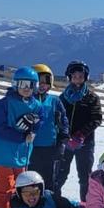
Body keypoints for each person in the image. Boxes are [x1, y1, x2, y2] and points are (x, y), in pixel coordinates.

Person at [0, 66, 45, 208]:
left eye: (30, 84)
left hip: (23, 153)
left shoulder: (36, 104)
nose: (26, 87)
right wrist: (21, 135)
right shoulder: (5, 103)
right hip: (4, 151)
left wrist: (33, 128)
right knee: (5, 185)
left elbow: (40, 120)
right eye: (22, 84)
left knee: (21, 185)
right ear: (15, 84)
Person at [57, 60, 103, 201]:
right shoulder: (62, 98)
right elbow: (57, 118)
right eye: (74, 76)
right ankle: (55, 202)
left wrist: (81, 134)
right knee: (60, 174)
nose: (77, 79)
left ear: (85, 77)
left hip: (85, 143)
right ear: (69, 77)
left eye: (80, 76)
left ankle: (87, 206)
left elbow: (96, 118)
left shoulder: (91, 98)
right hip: (65, 142)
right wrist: (64, 135)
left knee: (85, 176)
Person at [28, 64, 69, 193]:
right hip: (30, 148)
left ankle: (51, 205)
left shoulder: (54, 101)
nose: (41, 85)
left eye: (45, 81)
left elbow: (64, 123)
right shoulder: (26, 100)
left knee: (50, 180)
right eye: (37, 81)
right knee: (31, 179)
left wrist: (62, 143)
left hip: (50, 148)